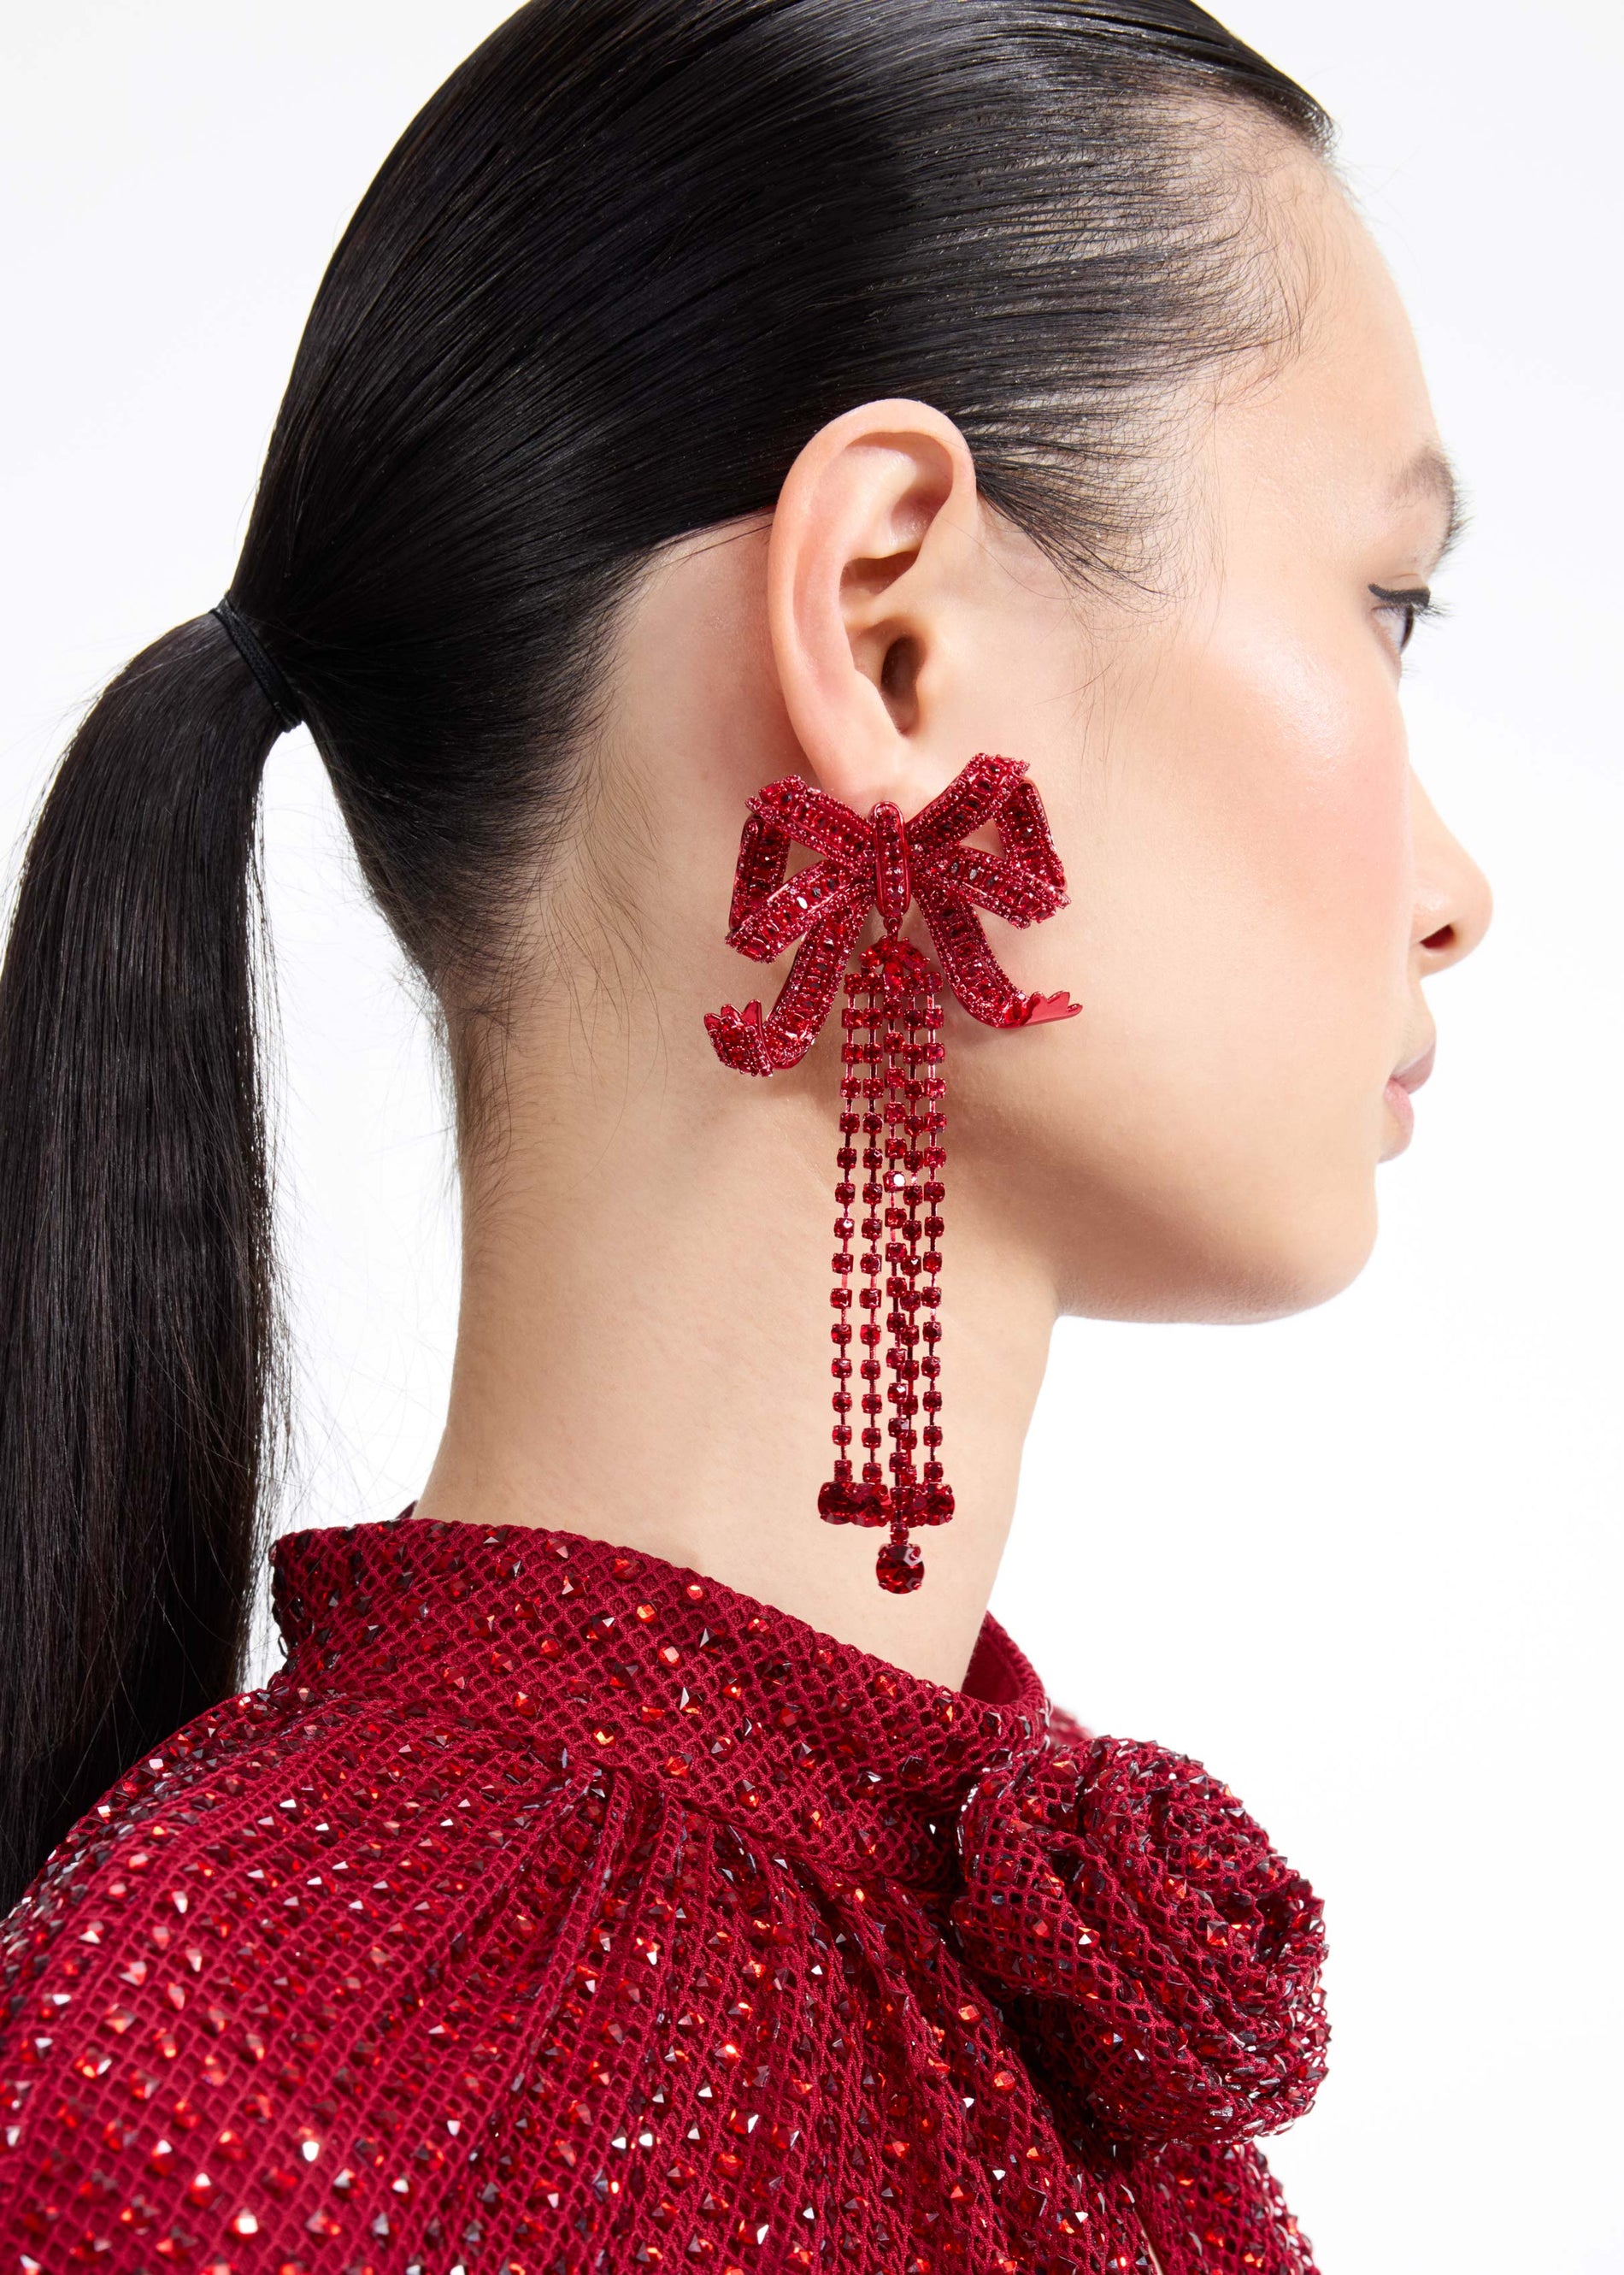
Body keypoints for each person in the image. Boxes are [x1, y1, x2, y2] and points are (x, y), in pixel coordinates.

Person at [0, 3, 1492, 2268]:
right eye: (1381, 605)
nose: (1458, 894)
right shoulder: (196, 2104)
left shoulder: (978, 1994)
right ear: (890, 634)